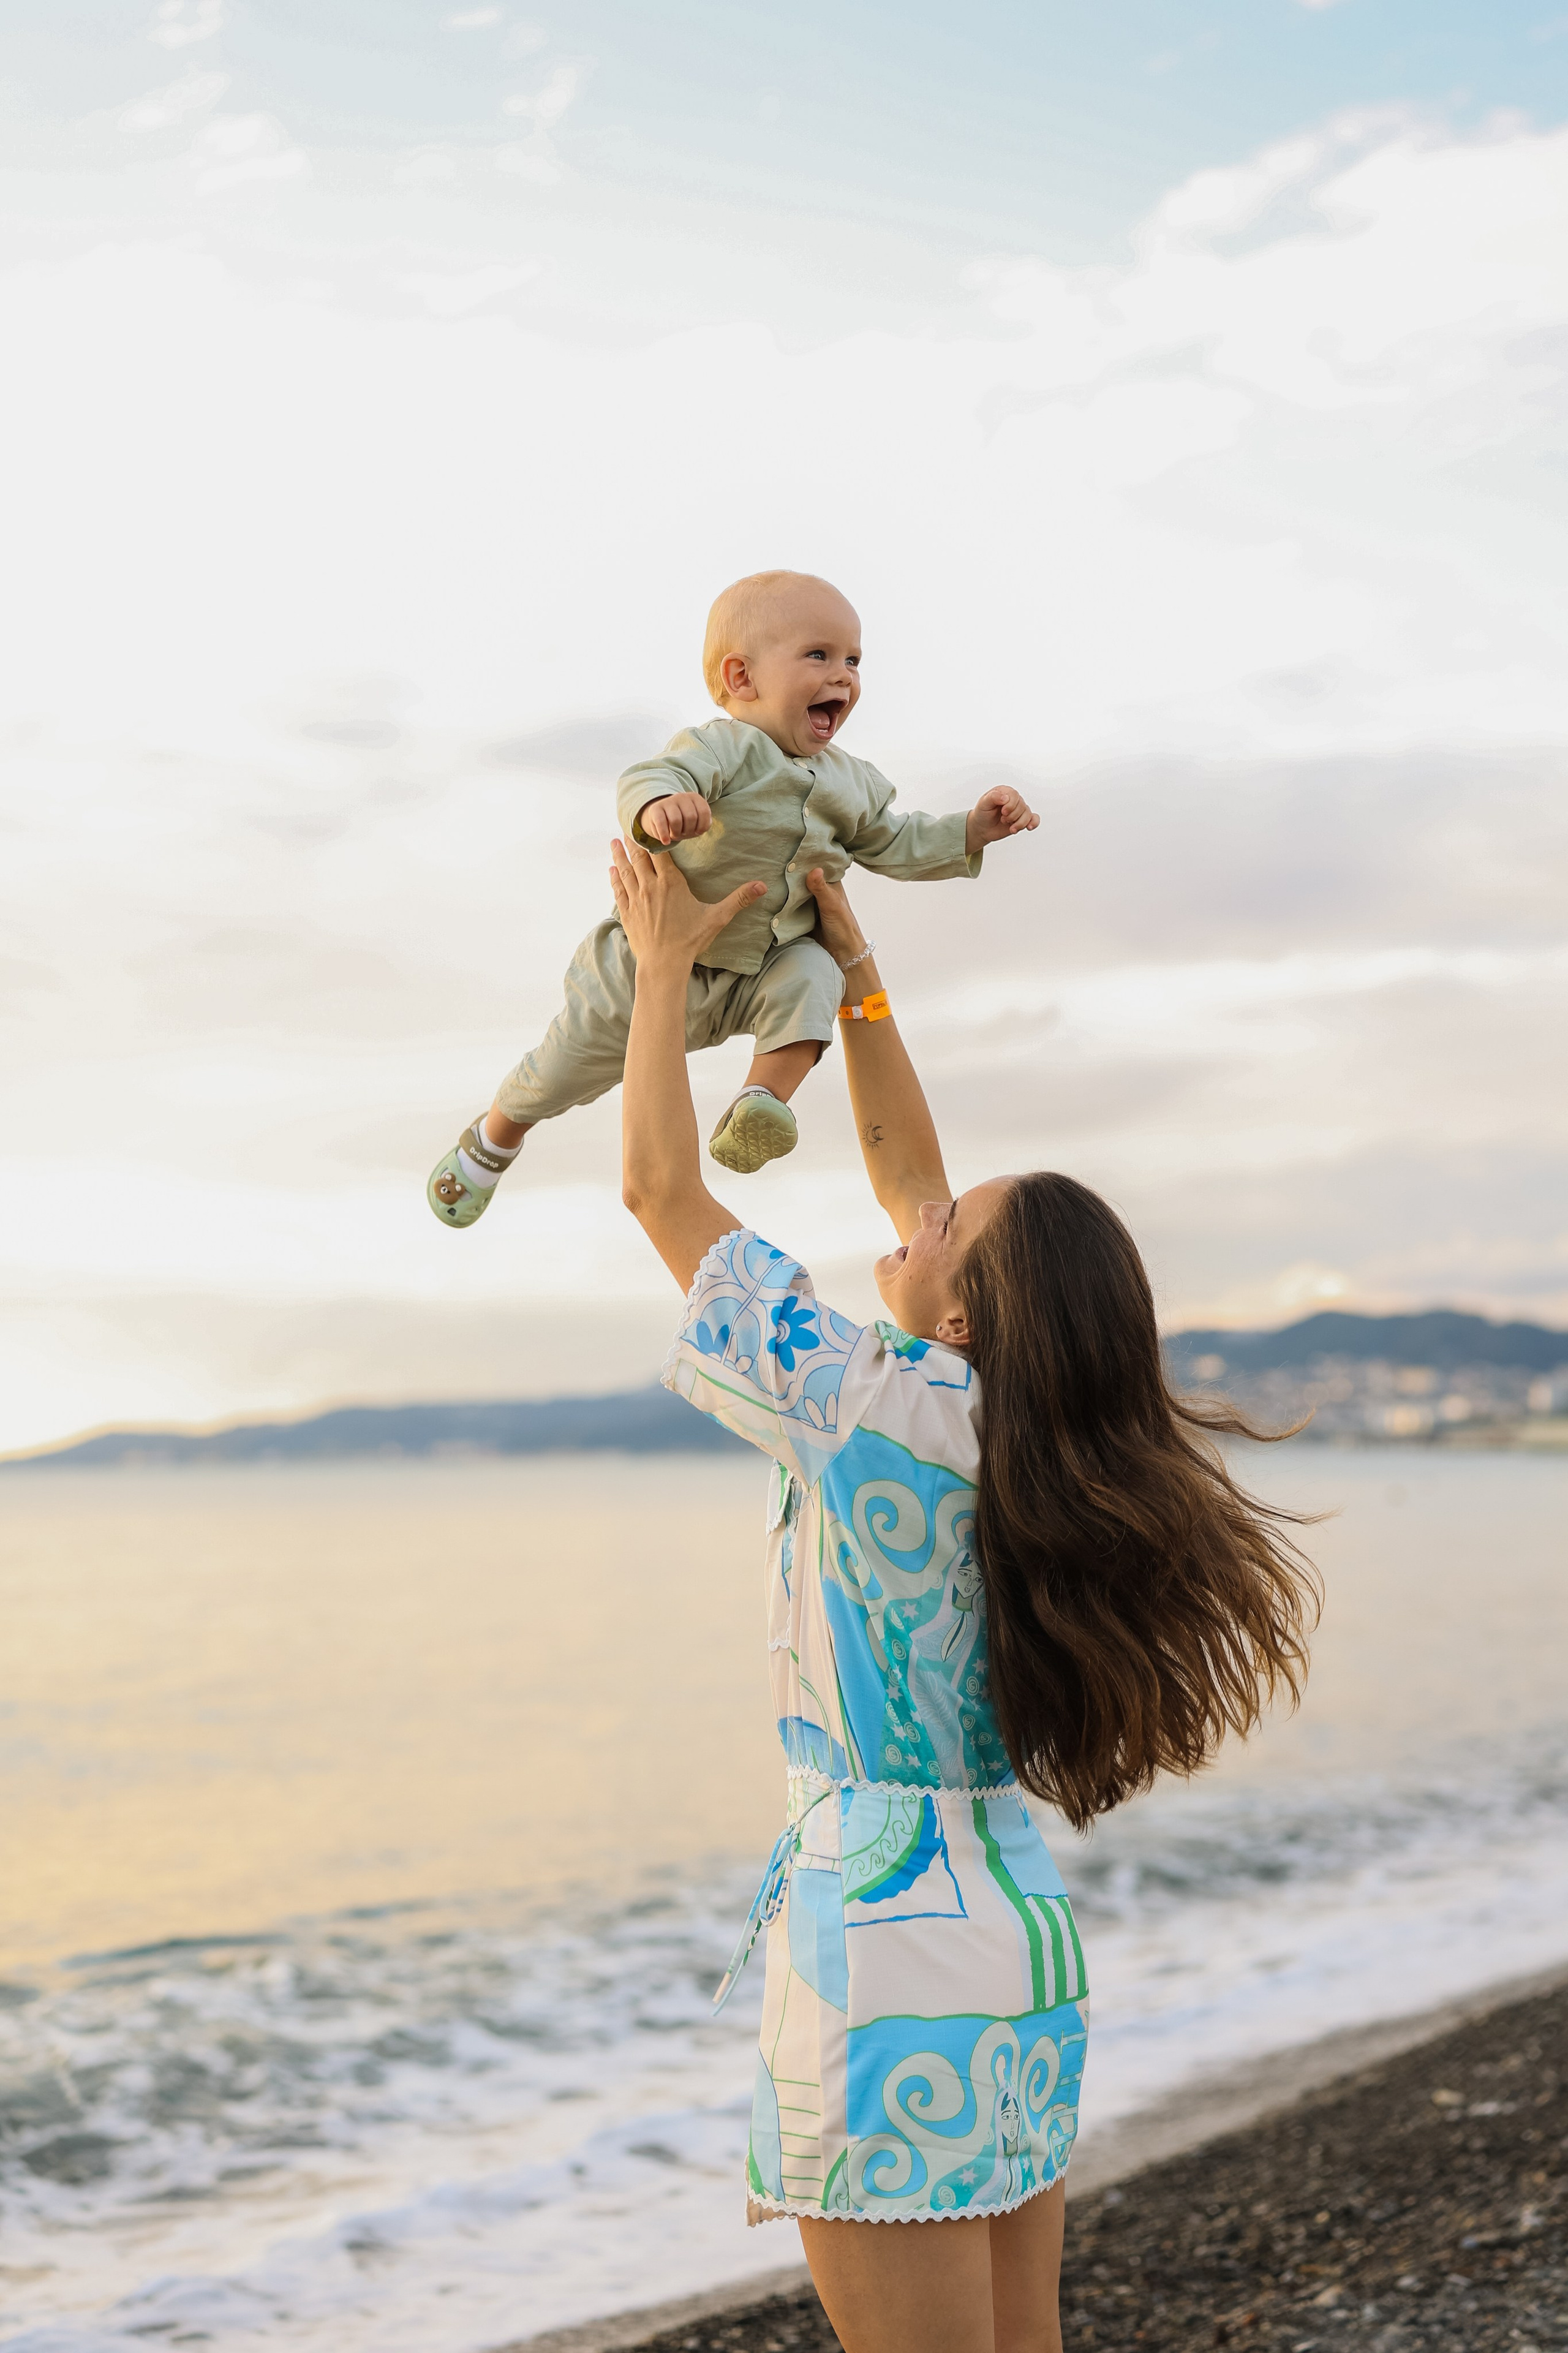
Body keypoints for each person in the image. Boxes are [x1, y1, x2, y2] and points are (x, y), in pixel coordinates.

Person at [611, 838, 1318, 2353]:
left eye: (948, 1229)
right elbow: (910, 1181)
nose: (916, 1215)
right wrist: (857, 977)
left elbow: (657, 1186)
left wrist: (660, 964)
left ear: (969, 1302)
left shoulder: (859, 1398)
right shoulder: (1041, 1439)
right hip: (1007, 1913)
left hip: (877, 1933)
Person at [425, 570, 1038, 1225]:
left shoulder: (852, 783)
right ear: (742, 679)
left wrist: (970, 830)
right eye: (819, 655)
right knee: (559, 1072)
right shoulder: (721, 748)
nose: (844, 676)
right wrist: (662, 805)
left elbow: (896, 840)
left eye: (853, 660)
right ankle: (493, 1141)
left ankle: (760, 1102)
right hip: (643, 974)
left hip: (760, 972)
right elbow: (649, 776)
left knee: (815, 973)